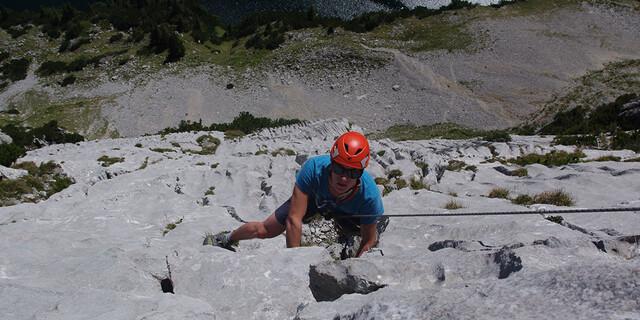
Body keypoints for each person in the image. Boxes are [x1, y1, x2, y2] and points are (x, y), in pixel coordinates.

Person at [204, 131, 387, 258]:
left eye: (353, 173)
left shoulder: (369, 197)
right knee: (265, 229)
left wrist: (354, 268)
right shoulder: (313, 169)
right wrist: (294, 262)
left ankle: (344, 239)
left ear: (361, 173)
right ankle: (228, 238)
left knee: (356, 234)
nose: (344, 178)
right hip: (315, 200)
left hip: (349, 213)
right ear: (331, 163)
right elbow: (294, 219)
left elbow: (369, 240)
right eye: (339, 168)